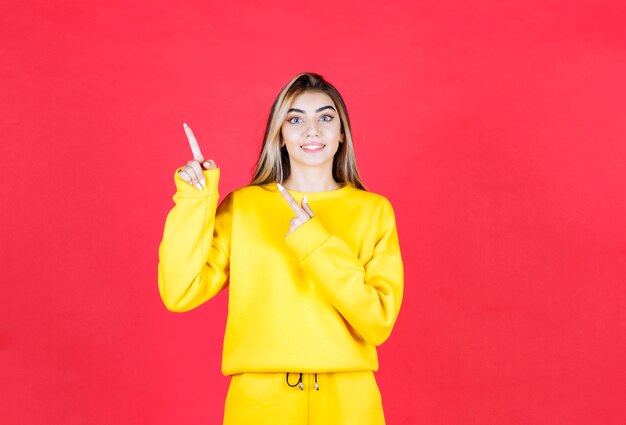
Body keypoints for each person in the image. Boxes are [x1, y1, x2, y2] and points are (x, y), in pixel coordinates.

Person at [158, 72, 404, 425]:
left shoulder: (374, 211)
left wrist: (314, 240)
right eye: (295, 119)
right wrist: (194, 200)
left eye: (325, 117)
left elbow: (377, 322)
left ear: (342, 135)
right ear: (281, 135)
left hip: (349, 402)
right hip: (259, 403)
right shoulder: (243, 207)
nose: (312, 130)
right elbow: (179, 292)